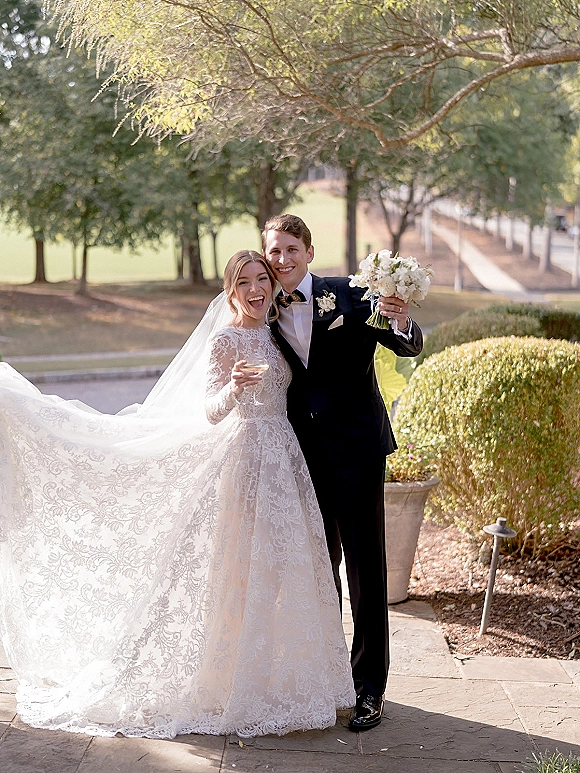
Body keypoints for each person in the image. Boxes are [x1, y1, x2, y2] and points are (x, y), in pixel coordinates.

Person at [0, 250, 355, 739]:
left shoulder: (274, 332)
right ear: (230, 290)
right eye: (244, 282)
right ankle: (227, 683)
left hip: (284, 459)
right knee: (238, 569)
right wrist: (232, 388)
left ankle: (278, 676)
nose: (255, 290)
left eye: (261, 280)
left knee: (283, 568)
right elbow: (210, 411)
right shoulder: (225, 340)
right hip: (246, 460)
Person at [263, 214, 424, 731]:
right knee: (317, 569)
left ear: (309, 253)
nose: (282, 260)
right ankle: (328, 677)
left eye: (291, 249)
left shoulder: (352, 295)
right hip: (300, 456)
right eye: (274, 251)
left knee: (365, 570)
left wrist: (399, 319)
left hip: (357, 452)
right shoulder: (261, 307)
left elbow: (405, 343)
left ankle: (369, 689)